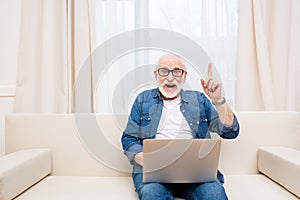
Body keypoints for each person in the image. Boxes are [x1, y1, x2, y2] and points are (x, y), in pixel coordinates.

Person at [121, 54, 240, 200]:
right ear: (156, 75)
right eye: (164, 71)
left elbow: (230, 132)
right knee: (151, 194)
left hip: (195, 172)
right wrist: (148, 161)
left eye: (176, 71)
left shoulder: (199, 99)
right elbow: (128, 139)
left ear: (184, 76)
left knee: (215, 195)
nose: (170, 78)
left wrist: (218, 100)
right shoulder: (142, 99)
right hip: (154, 174)